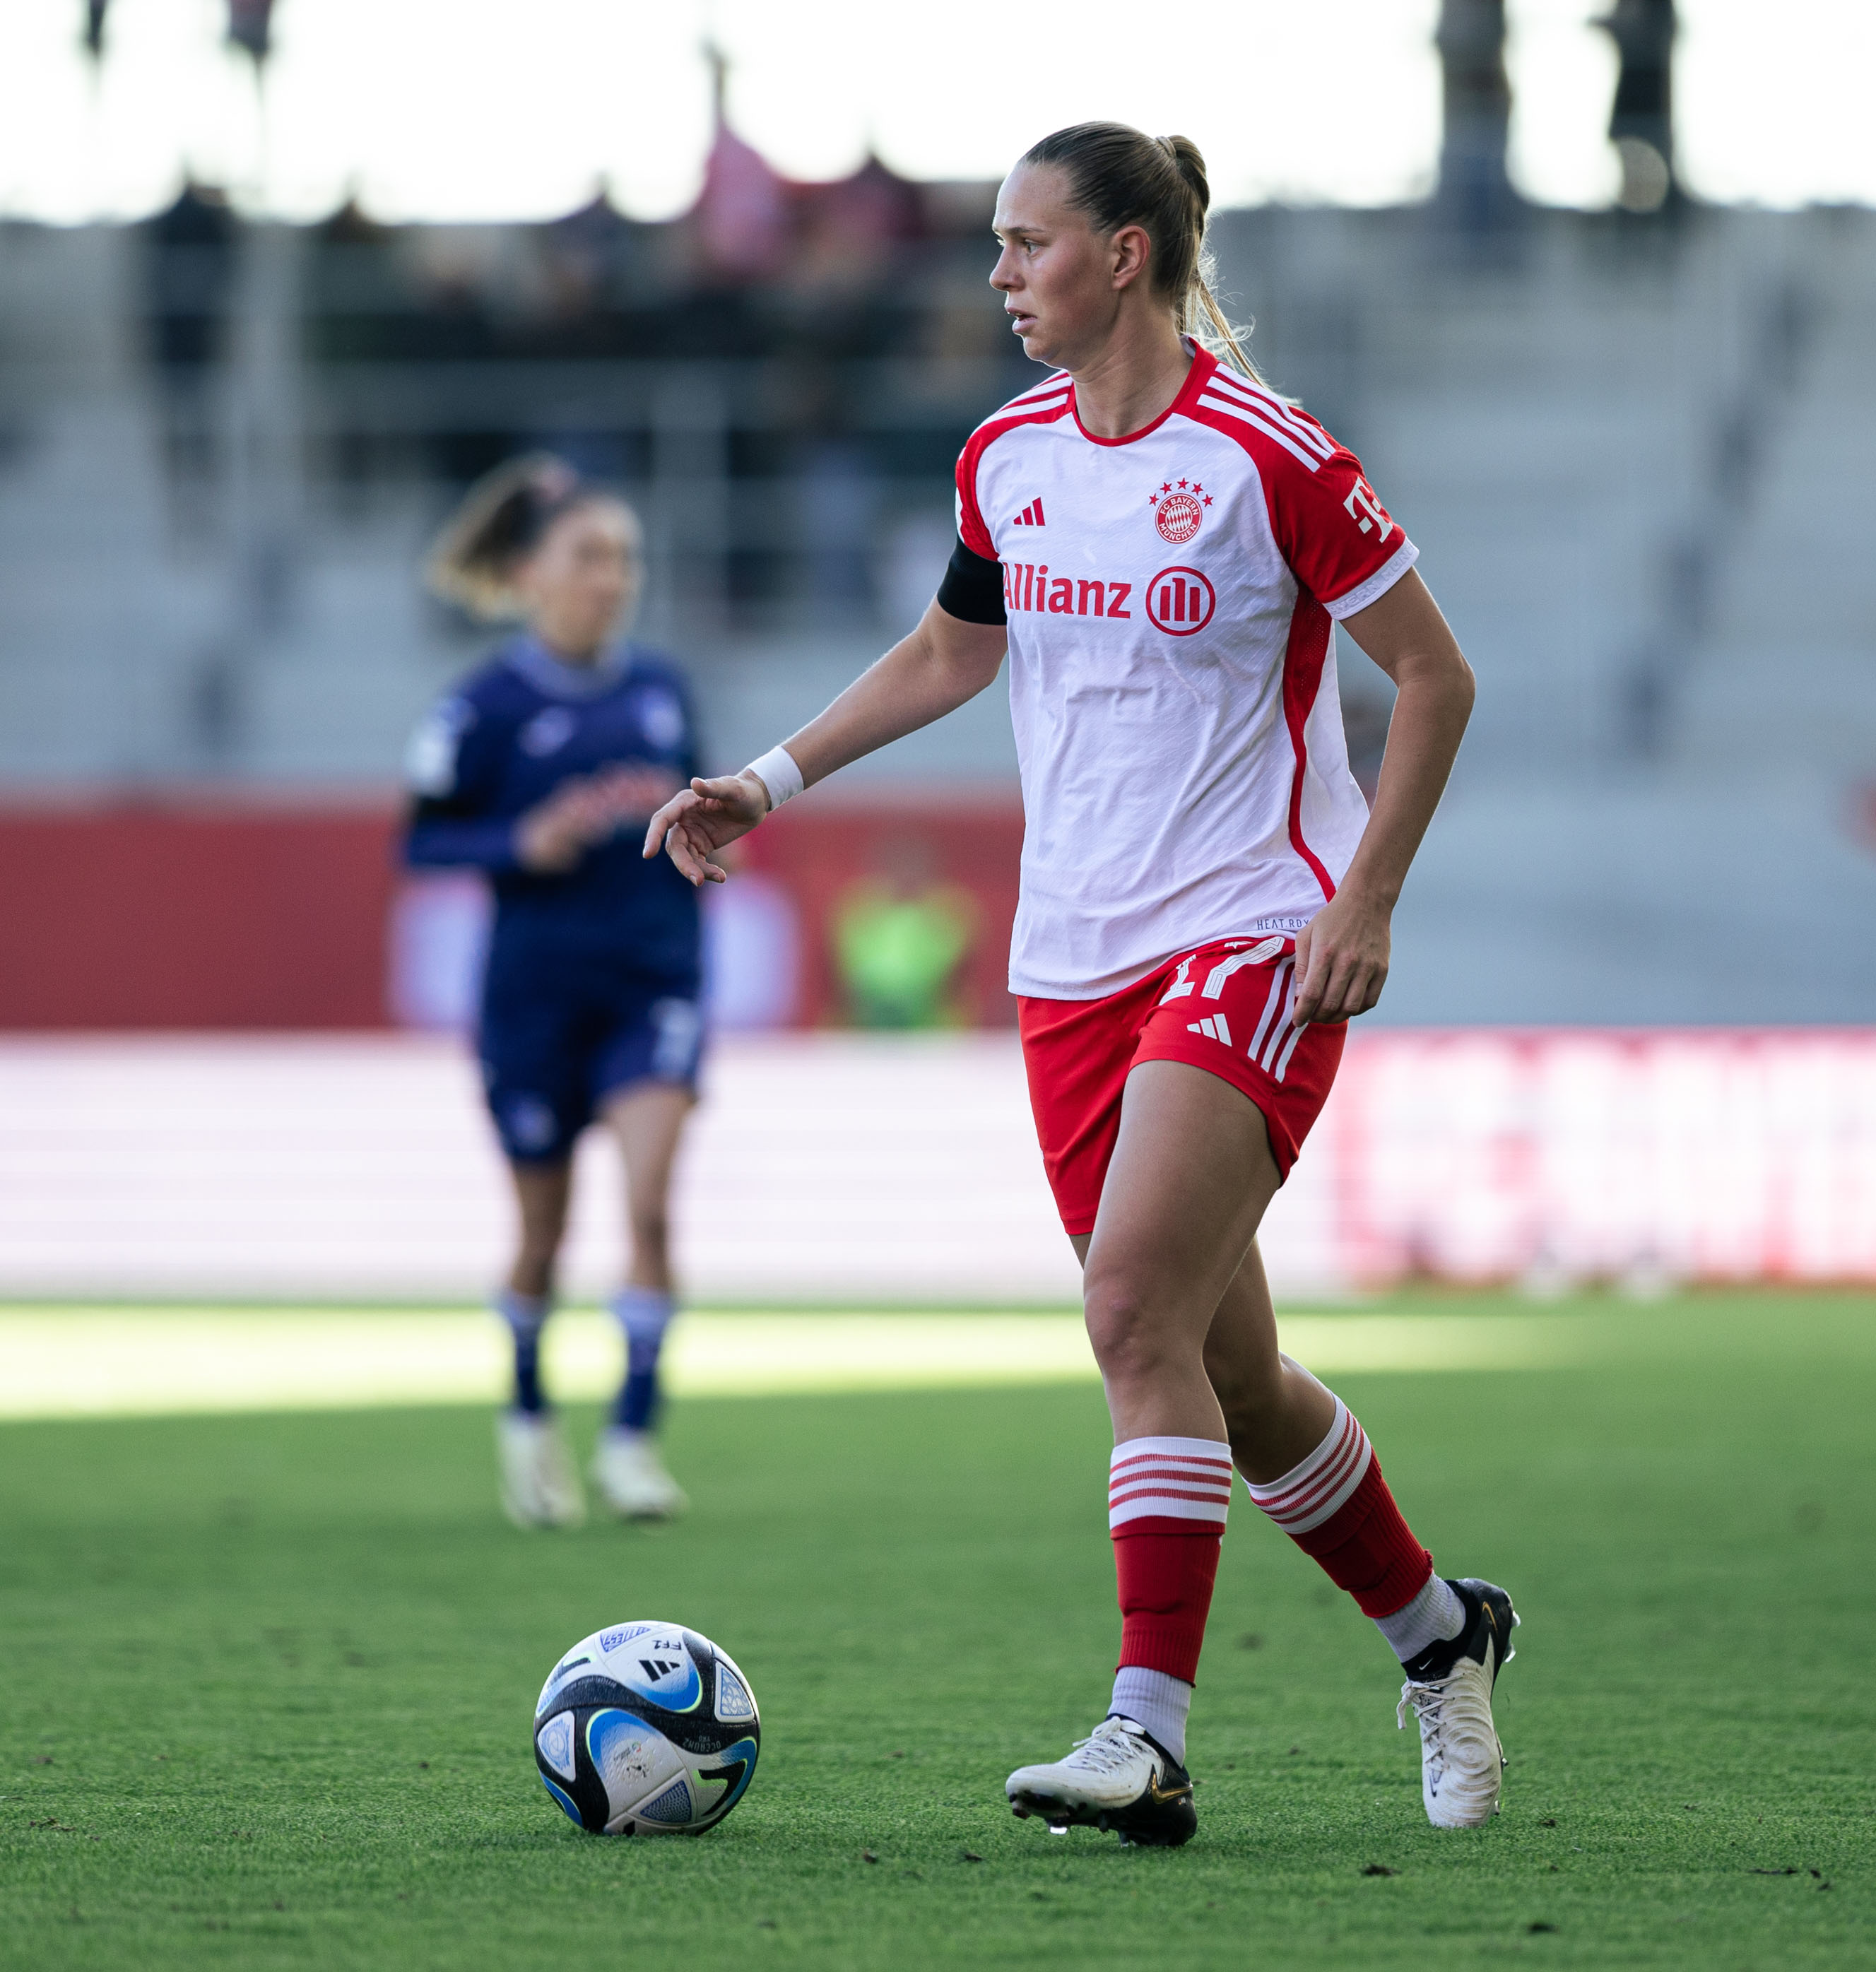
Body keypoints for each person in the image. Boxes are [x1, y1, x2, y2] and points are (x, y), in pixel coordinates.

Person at [645, 123, 1506, 1844]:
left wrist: (1370, 899)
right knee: (1227, 1377)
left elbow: (1430, 674)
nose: (995, 273)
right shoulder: (1006, 456)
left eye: (1022, 242)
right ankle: (1438, 1633)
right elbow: (952, 646)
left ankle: (1145, 1732)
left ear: (1122, 254)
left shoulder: (1271, 457)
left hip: (1250, 935)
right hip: (1070, 969)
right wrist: (768, 775)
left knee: (1125, 1312)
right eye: (991, 243)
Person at [407, 456, 704, 1529]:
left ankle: (631, 1437)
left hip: (650, 983)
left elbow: (701, 807)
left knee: (652, 1202)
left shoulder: (662, 691)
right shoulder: (482, 706)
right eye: (589, 557)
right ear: (532, 573)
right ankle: (529, 1417)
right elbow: (423, 838)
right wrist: (514, 840)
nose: (611, 578)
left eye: (623, 558)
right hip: (532, 997)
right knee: (542, 1233)